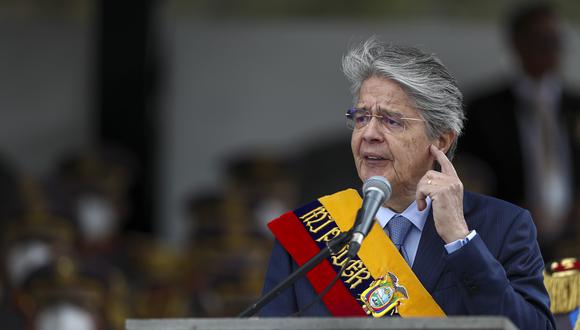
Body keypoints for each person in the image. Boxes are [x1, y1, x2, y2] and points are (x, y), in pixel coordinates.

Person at [260, 37, 555, 329]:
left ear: (441, 140)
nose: (369, 134)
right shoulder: (306, 234)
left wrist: (461, 242)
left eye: (391, 121)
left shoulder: (503, 226)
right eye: (361, 118)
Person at [460, 2, 580, 261]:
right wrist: (510, 210)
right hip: (509, 237)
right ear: (517, 43)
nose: (550, 48)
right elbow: (469, 176)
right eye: (540, 39)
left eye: (555, 40)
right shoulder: (484, 110)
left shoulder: (574, 106)